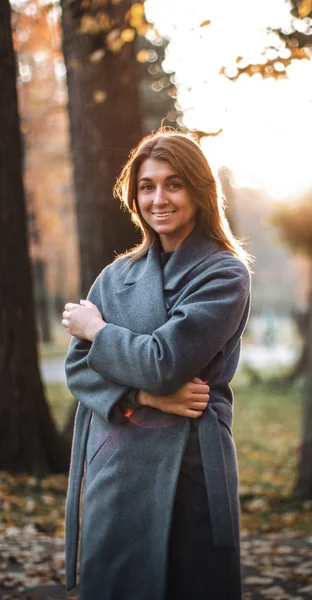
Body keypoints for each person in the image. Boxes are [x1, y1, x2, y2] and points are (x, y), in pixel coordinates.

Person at [61, 130, 251, 600]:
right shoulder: (115, 275)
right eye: (147, 186)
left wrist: (97, 331)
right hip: (116, 461)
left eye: (173, 184)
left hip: (189, 464)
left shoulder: (224, 273)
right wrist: (143, 395)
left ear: (199, 191)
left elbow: (165, 361)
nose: (158, 198)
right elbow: (79, 371)